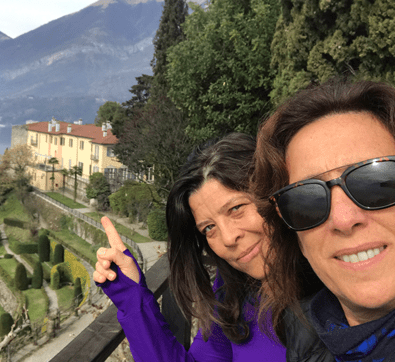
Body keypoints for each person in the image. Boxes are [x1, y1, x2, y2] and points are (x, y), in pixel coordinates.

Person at [252, 79, 395, 361]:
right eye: (306, 200)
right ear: (299, 242)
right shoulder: (304, 342)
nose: (344, 219)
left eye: (377, 181)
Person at [93, 133, 286, 362]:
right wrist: (131, 296)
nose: (228, 238)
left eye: (236, 208)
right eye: (208, 228)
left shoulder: (333, 288)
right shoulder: (233, 292)